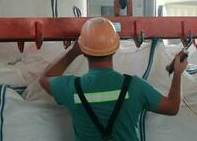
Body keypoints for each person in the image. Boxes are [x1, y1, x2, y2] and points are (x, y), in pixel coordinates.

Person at [39, 17, 188, 141]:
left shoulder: (71, 88)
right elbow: (172, 107)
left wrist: (73, 52)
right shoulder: (135, 86)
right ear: (115, 48)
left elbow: (45, 78)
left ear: (84, 51)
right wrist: (178, 73)